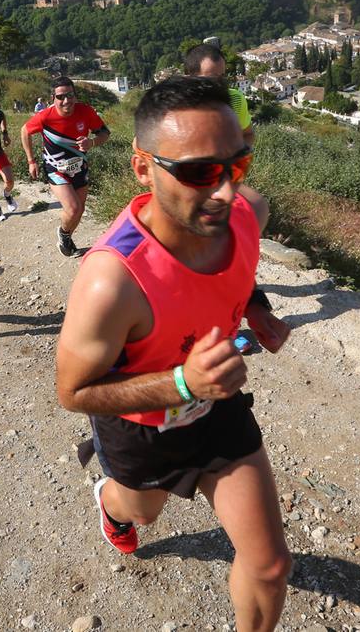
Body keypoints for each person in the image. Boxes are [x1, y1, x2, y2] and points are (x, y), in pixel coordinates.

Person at [55, 76, 294, 632]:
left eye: (237, 166)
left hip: (216, 408)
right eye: (198, 172)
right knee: (142, 511)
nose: (226, 192)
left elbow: (237, 264)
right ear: (143, 168)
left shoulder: (243, 217)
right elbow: (73, 392)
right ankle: (111, 501)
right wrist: (183, 383)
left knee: (270, 565)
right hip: (140, 425)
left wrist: (255, 307)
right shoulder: (112, 281)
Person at [185, 42, 270, 231]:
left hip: (224, 180)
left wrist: (236, 160)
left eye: (221, 77)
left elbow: (248, 135)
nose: (218, 85)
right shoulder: (177, 106)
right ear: (190, 78)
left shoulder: (235, 100)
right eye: (211, 79)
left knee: (255, 208)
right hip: (187, 182)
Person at [22, 77, 110, 257]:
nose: (66, 100)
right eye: (61, 97)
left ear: (75, 96)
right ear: (53, 98)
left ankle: (66, 236)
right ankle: (63, 233)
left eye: (70, 95)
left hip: (79, 167)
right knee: (73, 209)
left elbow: (104, 133)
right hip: (56, 169)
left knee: (80, 209)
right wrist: (31, 161)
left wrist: (91, 142)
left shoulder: (85, 111)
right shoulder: (45, 116)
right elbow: (24, 131)